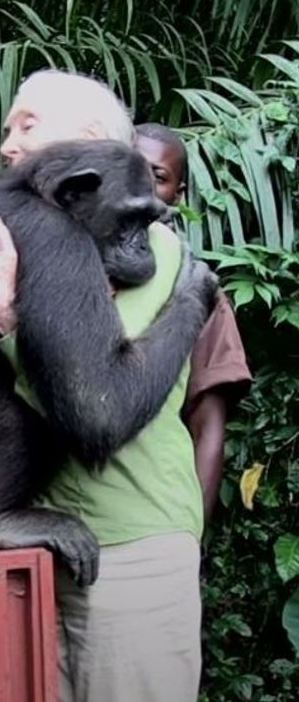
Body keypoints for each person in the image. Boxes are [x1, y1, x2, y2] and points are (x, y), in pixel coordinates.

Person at [0, 69, 231, 701]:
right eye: (6, 128)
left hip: (129, 540)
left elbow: (97, 407)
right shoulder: (33, 229)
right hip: (37, 543)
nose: (7, 143)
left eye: (28, 125)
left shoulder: (149, 249)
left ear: (85, 142)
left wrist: (8, 317)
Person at [133, 122, 251, 523]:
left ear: (177, 193)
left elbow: (208, 428)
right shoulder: (71, 268)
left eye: (159, 176)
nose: (143, 184)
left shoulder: (198, 289)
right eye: (132, 166)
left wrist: (191, 539)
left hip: (156, 516)